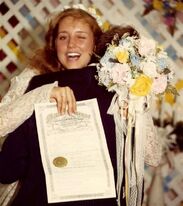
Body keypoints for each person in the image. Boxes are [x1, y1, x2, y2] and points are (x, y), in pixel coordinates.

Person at [0, 5, 162, 206]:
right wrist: (41, 95)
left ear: (96, 44)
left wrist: (137, 101)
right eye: (63, 37)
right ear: (53, 44)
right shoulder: (36, 86)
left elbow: (152, 157)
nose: (71, 45)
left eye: (80, 37)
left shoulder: (121, 90)